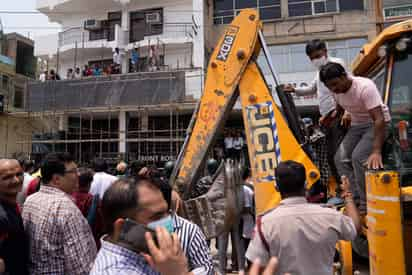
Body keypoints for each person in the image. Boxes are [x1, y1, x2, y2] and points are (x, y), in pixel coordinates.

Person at [246, 160, 360, 275]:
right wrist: (347, 194)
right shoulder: (331, 216)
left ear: (276, 187)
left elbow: (255, 264)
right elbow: (354, 228)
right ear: (306, 185)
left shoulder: (265, 223)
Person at [91, 176, 214, 275]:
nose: (168, 222)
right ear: (121, 227)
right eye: (157, 216)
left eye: (167, 212)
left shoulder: (142, 253)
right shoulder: (116, 271)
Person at [319, 62, 391, 215]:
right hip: (357, 126)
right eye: (330, 87)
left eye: (335, 84)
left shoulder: (365, 87)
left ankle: (367, 203)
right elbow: (340, 107)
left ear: (344, 76)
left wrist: (376, 151)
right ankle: (355, 199)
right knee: (340, 158)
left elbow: (379, 119)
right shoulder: (335, 91)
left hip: (377, 124)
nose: (334, 89)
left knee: (358, 157)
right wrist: (331, 117)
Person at [284, 39, 348, 182]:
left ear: (325, 52)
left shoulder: (337, 64)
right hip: (327, 119)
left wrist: (347, 111)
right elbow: (311, 89)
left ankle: (346, 188)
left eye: (318, 56)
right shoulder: (320, 73)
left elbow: (350, 85)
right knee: (331, 156)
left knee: (338, 156)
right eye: (312, 58)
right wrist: (294, 90)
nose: (315, 60)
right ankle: (340, 187)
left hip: (338, 114)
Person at [22, 153, 97, 274]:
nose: (78, 175)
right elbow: (82, 267)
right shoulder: (66, 210)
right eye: (73, 171)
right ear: (56, 179)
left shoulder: (31, 200)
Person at [0, 159, 29, 275]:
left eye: (19, 174)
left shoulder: (12, 205)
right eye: (7, 177)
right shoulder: (2, 217)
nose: (16, 180)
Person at [72, 168, 103, 247]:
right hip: (89, 241)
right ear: (89, 183)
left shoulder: (69, 196)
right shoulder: (93, 200)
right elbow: (99, 224)